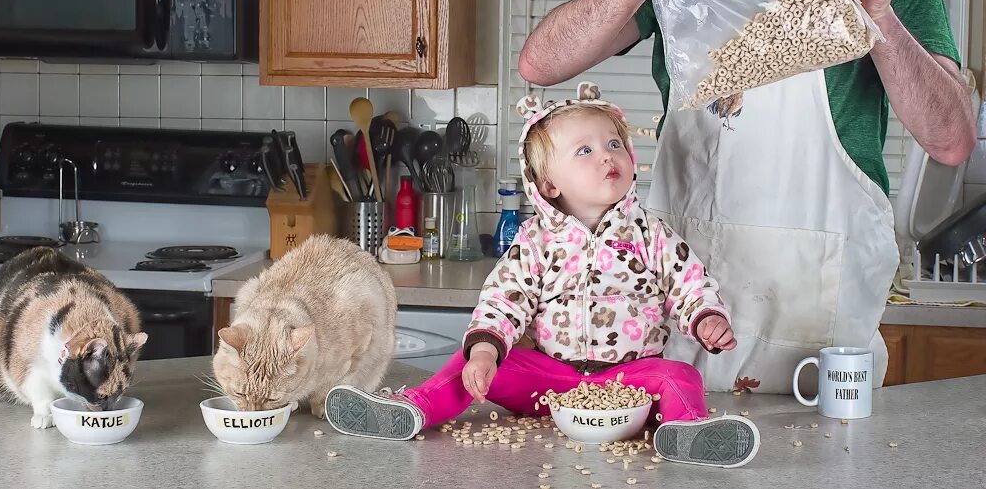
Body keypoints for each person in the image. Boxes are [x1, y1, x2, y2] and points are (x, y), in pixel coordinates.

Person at [517, 0, 976, 393]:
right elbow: (541, 63)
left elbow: (952, 139)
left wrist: (881, 21)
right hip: (681, 321)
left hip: (815, 334)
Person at [325, 83, 760, 468]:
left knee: (681, 376)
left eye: (614, 144)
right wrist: (486, 350)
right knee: (471, 363)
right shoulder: (535, 241)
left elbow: (689, 282)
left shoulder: (650, 233)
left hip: (632, 383)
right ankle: (410, 409)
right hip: (551, 382)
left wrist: (706, 317)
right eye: (585, 150)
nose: (607, 155)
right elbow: (504, 298)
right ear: (548, 185)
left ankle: (690, 434)